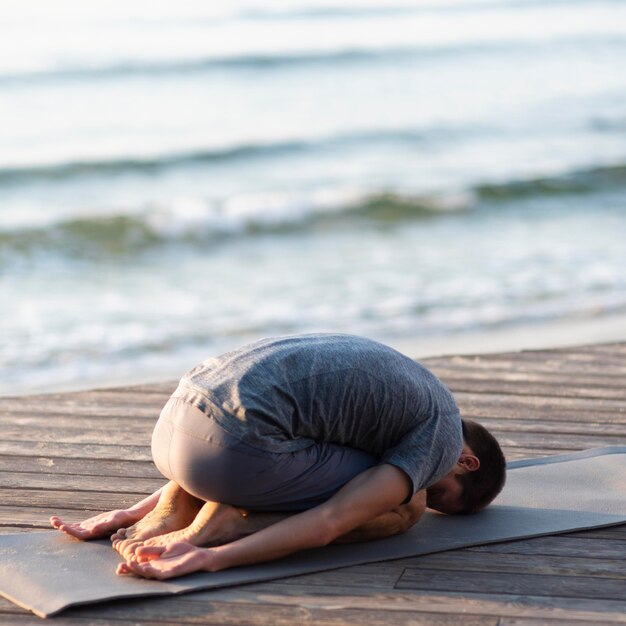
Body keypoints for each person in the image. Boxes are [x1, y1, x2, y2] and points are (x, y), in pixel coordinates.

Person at [50, 333, 506, 580]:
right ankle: (226, 523)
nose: (428, 490)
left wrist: (132, 510)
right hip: (228, 454)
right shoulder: (440, 436)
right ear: (466, 461)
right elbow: (330, 521)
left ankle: (169, 512)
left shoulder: (410, 385)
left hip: (172, 425)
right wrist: (213, 559)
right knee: (401, 507)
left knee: (294, 430)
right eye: (442, 494)